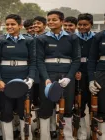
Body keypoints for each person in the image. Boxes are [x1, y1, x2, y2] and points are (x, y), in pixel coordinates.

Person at [36, 11, 80, 140]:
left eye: (54, 20)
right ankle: (45, 136)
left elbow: (76, 59)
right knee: (45, 105)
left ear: (62, 21)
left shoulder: (73, 38)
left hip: (66, 74)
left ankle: (68, 136)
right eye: (48, 20)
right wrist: (46, 79)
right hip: (48, 73)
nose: (50, 22)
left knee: (67, 106)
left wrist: (69, 77)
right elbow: (39, 60)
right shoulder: (41, 38)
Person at [0, 14, 36, 140]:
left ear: (20, 26)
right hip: (5, 79)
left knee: (24, 110)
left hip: (24, 78)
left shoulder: (29, 40)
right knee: (6, 110)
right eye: (7, 24)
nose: (9, 27)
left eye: (13, 24)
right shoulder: (0, 40)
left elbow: (33, 61)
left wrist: (31, 78)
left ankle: (25, 137)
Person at [74, 13, 95, 140]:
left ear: (91, 25)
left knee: (94, 103)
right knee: (80, 103)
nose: (82, 27)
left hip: (93, 74)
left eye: (85, 25)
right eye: (80, 24)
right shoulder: (73, 38)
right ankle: (82, 132)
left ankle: (94, 130)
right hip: (79, 74)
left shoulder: (96, 38)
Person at [88, 21, 105, 140]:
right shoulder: (98, 36)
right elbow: (92, 59)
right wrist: (91, 79)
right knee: (102, 104)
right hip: (102, 70)